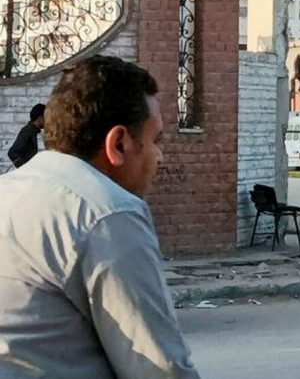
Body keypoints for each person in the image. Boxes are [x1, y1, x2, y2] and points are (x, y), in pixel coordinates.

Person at [0, 56, 200, 378]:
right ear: (118, 144)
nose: (159, 156)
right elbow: (158, 369)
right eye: (155, 141)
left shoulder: (9, 190)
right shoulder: (107, 214)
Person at [7, 103, 46, 168]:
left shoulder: (32, 131)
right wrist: (25, 168)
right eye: (47, 117)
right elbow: (12, 152)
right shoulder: (28, 130)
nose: (48, 121)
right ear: (40, 118)